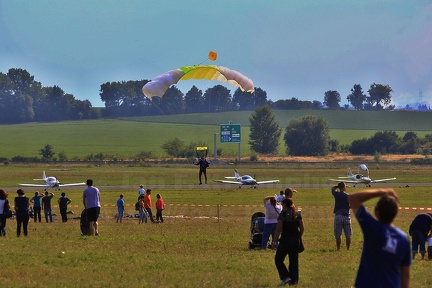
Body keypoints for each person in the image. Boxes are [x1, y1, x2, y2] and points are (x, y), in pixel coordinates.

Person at [348, 188, 411, 288]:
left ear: (376, 212)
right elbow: (405, 275)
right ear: (395, 213)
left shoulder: (372, 228)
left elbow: (353, 198)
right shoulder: (403, 239)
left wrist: (382, 191)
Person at [273, 198, 304, 286]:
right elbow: (302, 228)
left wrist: (274, 241)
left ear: (285, 205)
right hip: (295, 241)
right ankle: (294, 281)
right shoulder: (297, 214)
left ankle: (285, 276)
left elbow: (278, 229)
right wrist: (298, 237)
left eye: (282, 204)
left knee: (278, 259)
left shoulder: (282, 214)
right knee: (294, 261)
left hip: (285, 240)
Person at [331, 182, 352, 251]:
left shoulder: (336, 194)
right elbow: (351, 205)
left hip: (338, 216)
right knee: (348, 235)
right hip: (346, 216)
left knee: (338, 235)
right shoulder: (347, 196)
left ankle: (338, 249)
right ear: (344, 187)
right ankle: (348, 249)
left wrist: (338, 186)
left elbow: (332, 188)